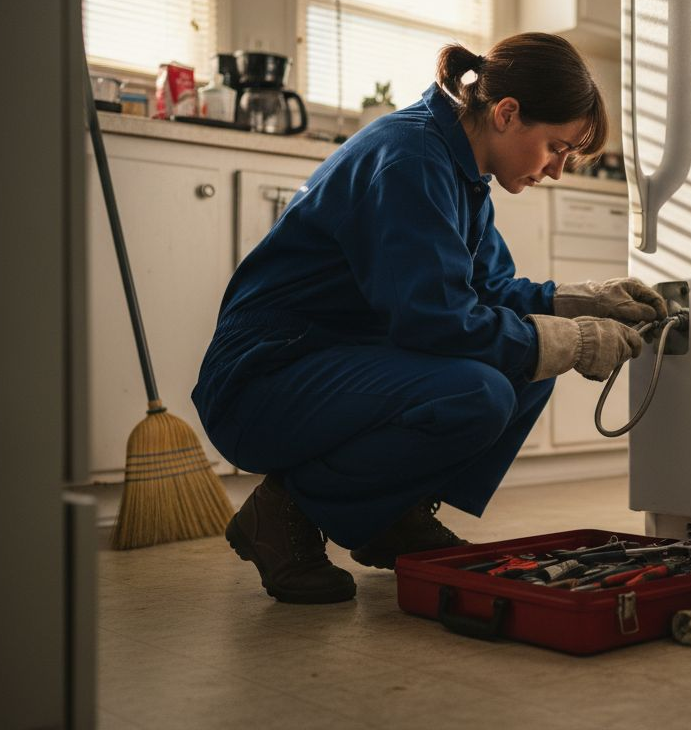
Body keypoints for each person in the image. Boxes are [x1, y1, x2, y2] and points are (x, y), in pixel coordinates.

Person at [192, 33, 666, 604]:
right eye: (557, 148)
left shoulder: (459, 169)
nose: (559, 170)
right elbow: (435, 321)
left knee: (527, 361)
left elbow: (488, 291)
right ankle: (285, 512)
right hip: (263, 384)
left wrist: (581, 302)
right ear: (507, 113)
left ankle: (392, 513)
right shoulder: (410, 157)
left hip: (329, 367)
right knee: (484, 388)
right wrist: (569, 339)